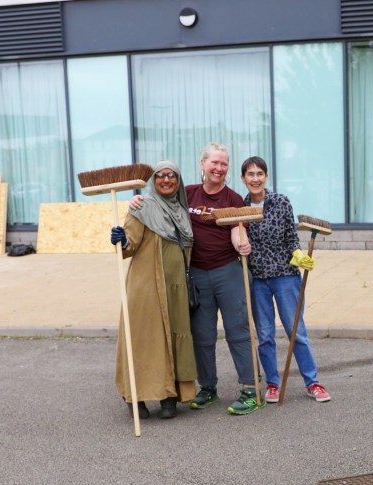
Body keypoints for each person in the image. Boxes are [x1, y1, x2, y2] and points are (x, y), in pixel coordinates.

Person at [133, 143, 261, 415]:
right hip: (195, 275)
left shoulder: (233, 199)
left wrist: (242, 245)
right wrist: (137, 201)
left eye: (224, 164)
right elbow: (160, 203)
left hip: (228, 271)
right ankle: (208, 388)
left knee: (238, 331)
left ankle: (251, 389)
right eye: (214, 163)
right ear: (202, 164)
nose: (219, 168)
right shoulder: (187, 194)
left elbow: (237, 232)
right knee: (201, 335)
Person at [109, 160, 197, 420]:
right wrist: (121, 238)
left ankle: (169, 396)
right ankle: (134, 397)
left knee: (173, 337)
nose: (166, 180)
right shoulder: (142, 207)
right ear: (153, 181)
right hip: (146, 287)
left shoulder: (182, 211)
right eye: (161, 176)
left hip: (176, 288)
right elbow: (129, 246)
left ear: (178, 181)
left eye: (172, 176)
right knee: (144, 341)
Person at [240, 155, 331, 403]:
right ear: (243, 179)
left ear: (266, 177)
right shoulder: (241, 208)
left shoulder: (281, 202)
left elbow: (291, 237)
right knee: (265, 334)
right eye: (250, 174)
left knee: (296, 332)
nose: (255, 178)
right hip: (257, 279)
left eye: (260, 174)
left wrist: (298, 254)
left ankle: (313, 382)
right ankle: (272, 383)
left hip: (285, 277)